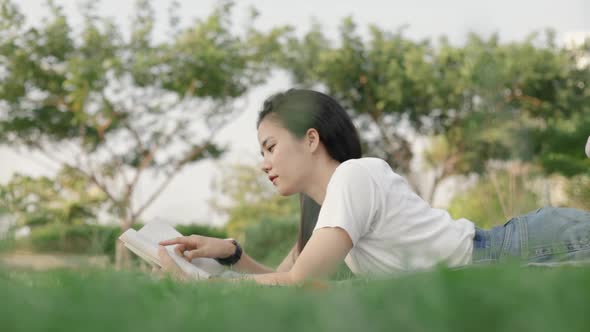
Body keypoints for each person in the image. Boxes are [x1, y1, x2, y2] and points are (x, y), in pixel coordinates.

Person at [156, 89, 590, 285]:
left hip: (523, 248)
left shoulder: (354, 176)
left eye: (270, 147)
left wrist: (204, 285)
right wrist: (232, 255)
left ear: (310, 139)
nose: (264, 163)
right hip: (499, 256)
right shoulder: (324, 209)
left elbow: (301, 281)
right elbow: (287, 284)